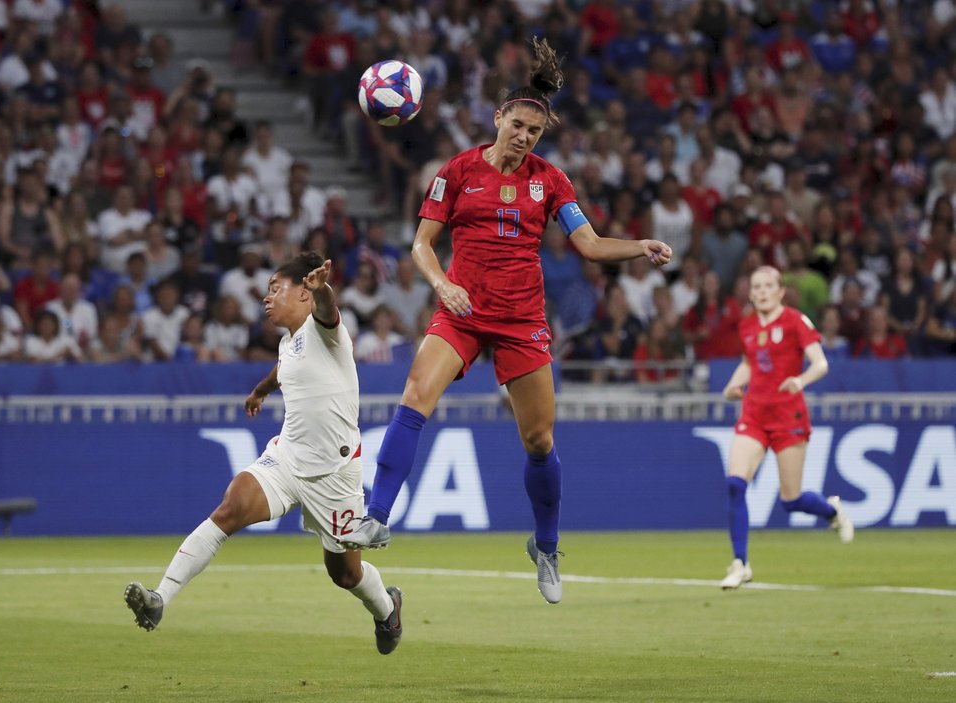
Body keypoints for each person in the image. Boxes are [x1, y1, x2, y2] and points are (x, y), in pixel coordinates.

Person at [338, 39, 672, 605]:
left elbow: (587, 245)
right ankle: (376, 516)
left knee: (539, 440)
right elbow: (421, 245)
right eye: (517, 125)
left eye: (534, 132)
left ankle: (545, 545)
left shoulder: (552, 180)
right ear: (498, 118)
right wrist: (443, 285)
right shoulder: (458, 171)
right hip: (461, 312)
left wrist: (637, 245)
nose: (523, 138)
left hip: (522, 319)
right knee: (415, 393)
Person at [124, 253, 403, 654]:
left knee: (344, 573)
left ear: (304, 294)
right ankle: (160, 598)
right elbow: (283, 368)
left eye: (276, 290)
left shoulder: (328, 330)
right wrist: (261, 390)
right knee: (231, 506)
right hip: (288, 457)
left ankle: (386, 609)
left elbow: (328, 308)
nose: (266, 298)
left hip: (335, 471)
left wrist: (321, 287)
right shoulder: (288, 340)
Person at [719, 266, 854, 590]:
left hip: (788, 417)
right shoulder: (747, 326)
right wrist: (731, 387)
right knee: (736, 484)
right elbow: (749, 363)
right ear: (750, 294)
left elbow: (821, 363)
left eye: (768, 286)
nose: (762, 291)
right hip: (754, 413)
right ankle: (741, 564)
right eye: (756, 286)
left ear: (780, 291)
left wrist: (800, 380)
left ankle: (832, 512)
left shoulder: (795, 320)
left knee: (790, 499)